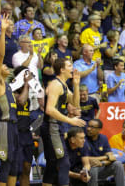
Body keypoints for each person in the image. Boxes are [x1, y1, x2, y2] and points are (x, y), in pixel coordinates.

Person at [40, 57, 85, 186]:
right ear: (62, 69)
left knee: (52, 165)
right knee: (64, 163)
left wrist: (76, 85)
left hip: (56, 126)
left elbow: (76, 104)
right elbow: (49, 109)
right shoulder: (55, 85)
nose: (73, 68)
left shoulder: (63, 84)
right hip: (51, 127)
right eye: (70, 66)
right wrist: (70, 121)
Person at [0, 14, 19, 186]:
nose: (6, 66)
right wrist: (2, 31)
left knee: (14, 165)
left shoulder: (8, 86)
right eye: (3, 66)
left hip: (11, 127)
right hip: (4, 126)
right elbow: (0, 56)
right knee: (6, 165)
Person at [86, 119, 125, 186]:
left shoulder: (103, 138)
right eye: (88, 126)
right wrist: (106, 157)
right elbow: (85, 158)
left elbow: (112, 158)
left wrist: (102, 163)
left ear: (99, 130)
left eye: (92, 127)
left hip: (101, 168)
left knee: (118, 164)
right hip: (87, 169)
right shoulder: (83, 138)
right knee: (93, 167)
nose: (88, 129)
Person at [12, 66, 34, 186]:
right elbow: (21, 101)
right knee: (15, 169)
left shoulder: (27, 90)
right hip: (16, 133)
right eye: (27, 74)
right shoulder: (12, 90)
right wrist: (26, 85)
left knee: (27, 168)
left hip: (27, 133)